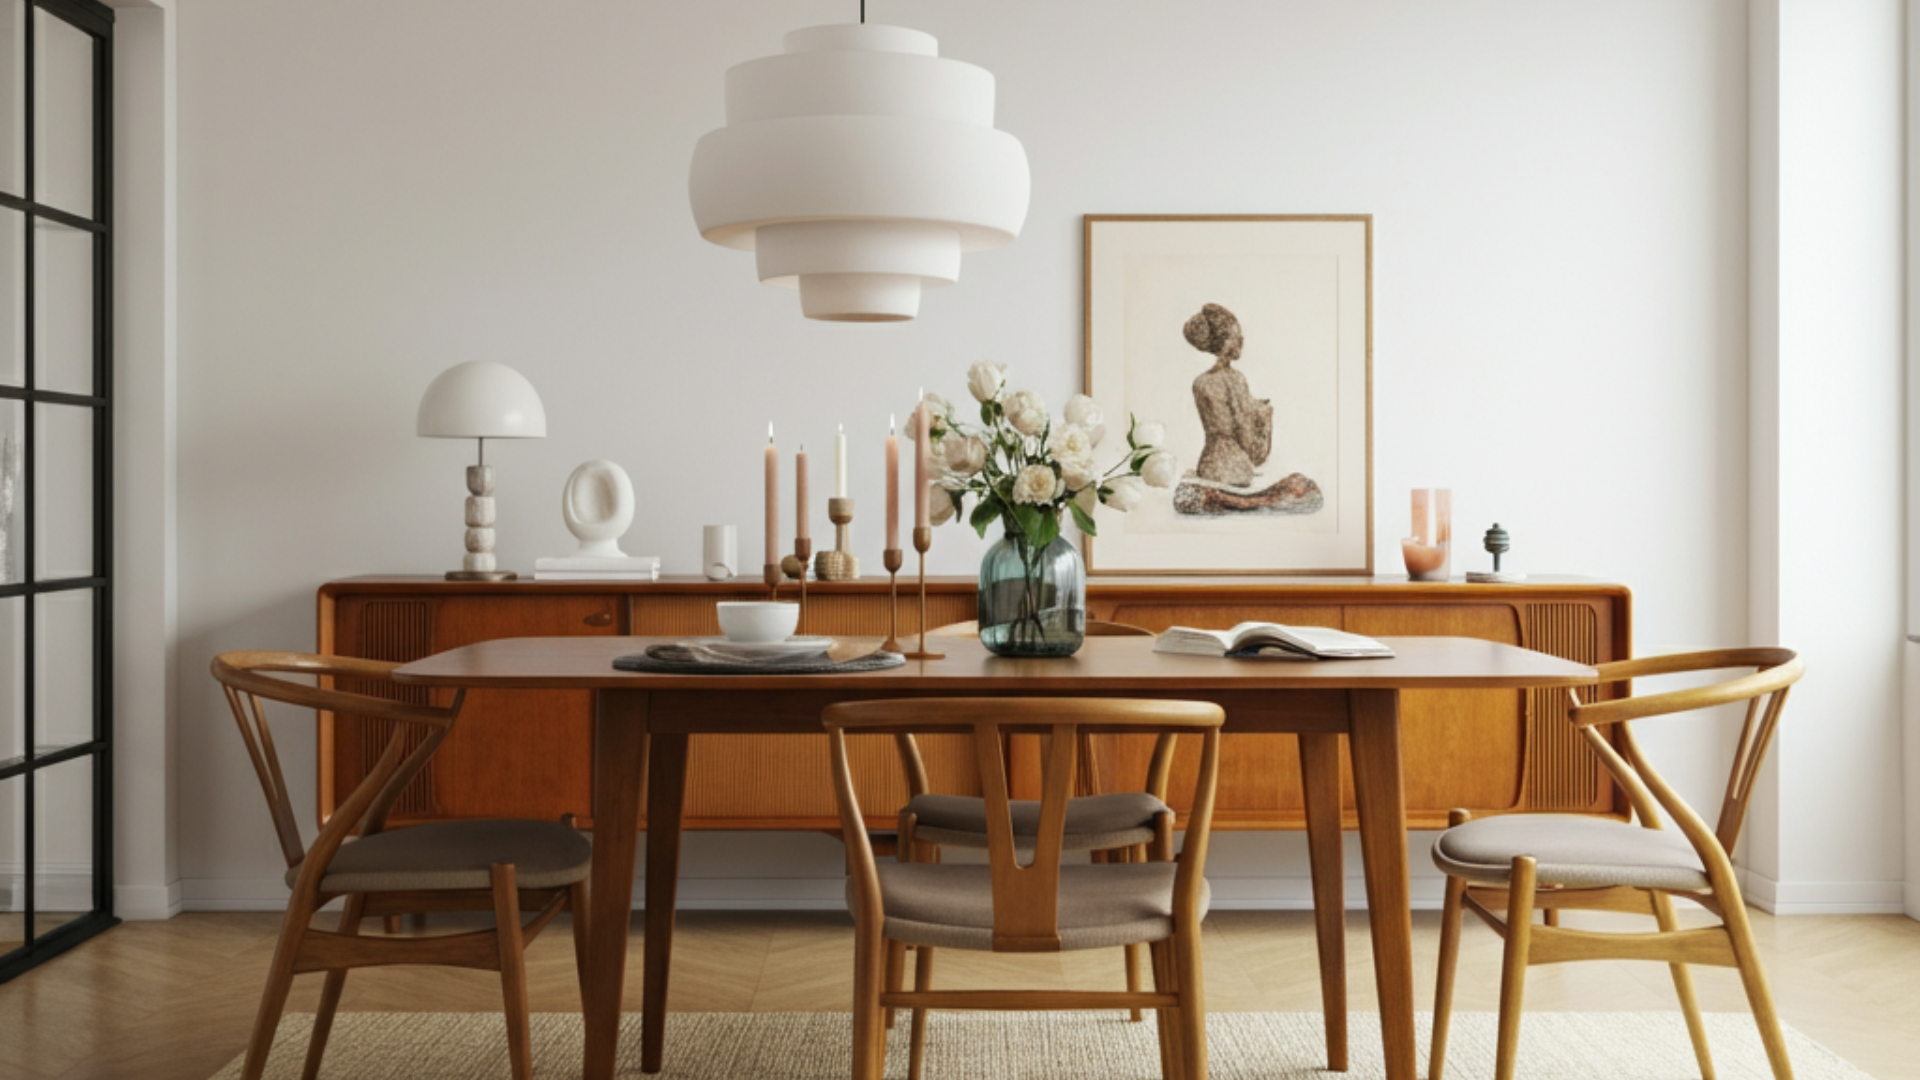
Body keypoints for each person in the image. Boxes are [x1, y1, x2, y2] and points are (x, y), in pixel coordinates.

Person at [1183, 303, 1273, 488]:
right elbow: (1248, 443)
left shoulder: (1200, 382)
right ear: (1224, 341)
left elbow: (1219, 425)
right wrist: (1262, 415)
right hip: (1234, 470)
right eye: (1236, 335)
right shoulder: (1236, 379)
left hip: (1207, 465)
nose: (1242, 339)